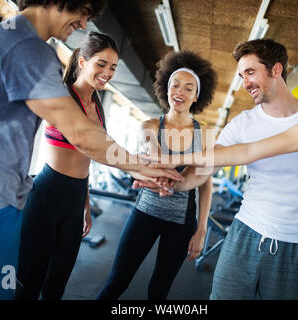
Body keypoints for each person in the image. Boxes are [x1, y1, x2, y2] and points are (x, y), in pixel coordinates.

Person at [0, 0, 182, 300]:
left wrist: (93, 195)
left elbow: (85, 139)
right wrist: (142, 165)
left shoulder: (13, 37)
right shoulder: (26, 47)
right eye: (83, 13)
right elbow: (80, 134)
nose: (81, 24)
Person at [143, 20, 298, 300]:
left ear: (276, 70)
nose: (245, 83)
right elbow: (232, 156)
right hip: (248, 232)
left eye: (250, 72)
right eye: (241, 75)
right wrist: (173, 176)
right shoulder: (273, 124)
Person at [96, 50, 217, 300]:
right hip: (145, 214)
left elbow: (205, 184)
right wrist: (166, 166)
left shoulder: (204, 135)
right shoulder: (150, 125)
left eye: (188, 88)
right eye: (175, 85)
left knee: (158, 291)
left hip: (181, 224)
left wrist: (202, 229)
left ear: (197, 95)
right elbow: (152, 151)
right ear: (166, 88)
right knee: (116, 282)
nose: (179, 92)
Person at [15, 31, 118, 300]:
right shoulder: (62, 97)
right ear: (83, 62)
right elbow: (87, 145)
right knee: (29, 281)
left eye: (113, 67)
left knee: (57, 284)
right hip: (47, 195)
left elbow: (85, 162)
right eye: (101, 64)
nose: (108, 72)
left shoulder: (97, 105)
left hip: (74, 200)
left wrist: (85, 204)